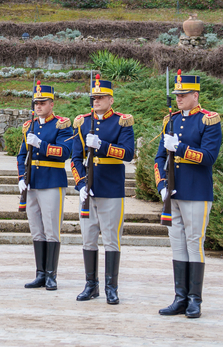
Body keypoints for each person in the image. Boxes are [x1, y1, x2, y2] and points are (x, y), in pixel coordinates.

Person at [155, 72, 222, 319]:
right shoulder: (170, 120)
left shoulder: (209, 121)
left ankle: (195, 300)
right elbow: (159, 158)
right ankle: (180, 298)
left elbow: (209, 157)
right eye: (177, 95)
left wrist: (181, 148)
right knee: (177, 245)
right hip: (174, 193)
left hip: (196, 192)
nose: (179, 98)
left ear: (196, 95)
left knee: (194, 243)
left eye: (183, 95)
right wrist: (162, 184)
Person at [69, 75, 135, 304]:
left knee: (111, 240)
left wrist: (103, 146)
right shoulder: (82, 122)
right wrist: (80, 184)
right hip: (89, 189)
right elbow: (75, 158)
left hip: (111, 188)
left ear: (110, 99)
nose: (95, 101)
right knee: (88, 239)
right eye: (93, 98)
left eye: (100, 98)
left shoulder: (121, 122)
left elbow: (128, 153)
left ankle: (111, 287)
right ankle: (91, 285)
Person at [17, 82, 73, 291]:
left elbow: (66, 151)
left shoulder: (62, 125)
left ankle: (51, 275)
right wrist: (21, 177)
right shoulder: (29, 126)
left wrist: (41, 144)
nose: (38, 106)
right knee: (36, 230)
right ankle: (40, 273)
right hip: (32, 182)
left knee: (51, 230)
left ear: (51, 103)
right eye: (36, 103)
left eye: (42, 102)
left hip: (51, 181)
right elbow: (21, 154)